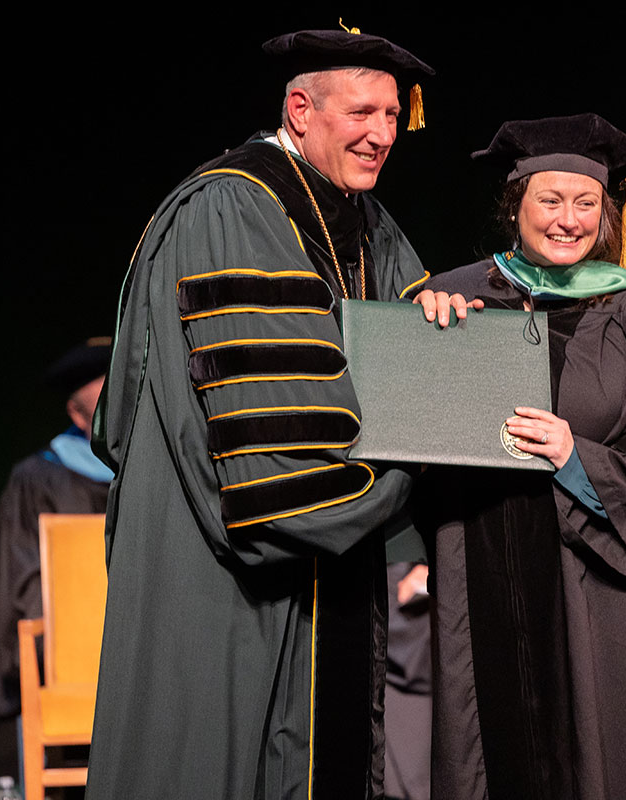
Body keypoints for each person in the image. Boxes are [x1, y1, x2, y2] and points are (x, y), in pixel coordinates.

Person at [86, 27, 454, 799]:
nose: (383, 134)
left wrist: (447, 320)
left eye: (392, 115)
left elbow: (415, 328)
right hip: (223, 561)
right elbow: (282, 458)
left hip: (330, 577)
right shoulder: (233, 205)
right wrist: (411, 454)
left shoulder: (363, 219)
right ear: (299, 108)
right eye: (362, 112)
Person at [414, 114, 626, 800]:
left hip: (608, 584)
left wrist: (576, 458)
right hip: (487, 567)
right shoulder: (456, 295)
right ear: (514, 206)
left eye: (587, 203)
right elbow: (407, 433)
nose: (568, 220)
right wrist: (421, 341)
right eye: (550, 201)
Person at [0, 338, 113, 722]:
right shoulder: (36, 480)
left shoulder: (157, 472)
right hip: (67, 667)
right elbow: (23, 584)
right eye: (104, 406)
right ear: (78, 416)